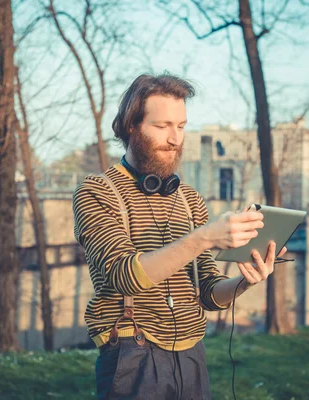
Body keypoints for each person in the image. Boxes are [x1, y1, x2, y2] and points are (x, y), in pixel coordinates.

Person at [72, 73, 286, 400]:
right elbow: (125, 276)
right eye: (162, 126)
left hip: (192, 355)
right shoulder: (98, 192)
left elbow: (210, 295)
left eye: (181, 126)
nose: (175, 139)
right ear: (131, 125)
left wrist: (246, 281)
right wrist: (204, 238)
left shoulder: (189, 199)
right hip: (133, 355)